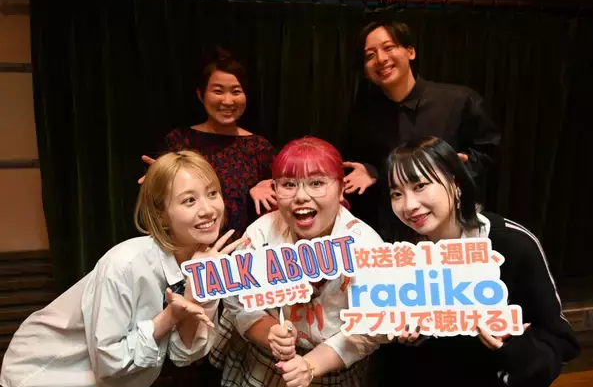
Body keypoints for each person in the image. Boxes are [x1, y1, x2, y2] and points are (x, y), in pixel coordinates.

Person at [0, 150, 245, 387]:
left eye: (212, 193)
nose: (208, 210)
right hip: (45, 371)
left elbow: (183, 355)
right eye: (189, 200)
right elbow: (109, 363)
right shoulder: (126, 263)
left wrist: (196, 297)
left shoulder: (208, 265)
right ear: (160, 215)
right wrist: (169, 316)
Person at [366, 136, 580, 387]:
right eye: (396, 194)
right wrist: (405, 335)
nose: (409, 205)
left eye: (420, 186)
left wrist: (511, 345)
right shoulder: (398, 250)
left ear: (455, 183)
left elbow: (559, 341)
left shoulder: (511, 245)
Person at [211, 137, 387, 387]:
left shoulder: (366, 245)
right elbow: (236, 299)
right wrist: (269, 332)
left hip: (332, 366)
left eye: (317, 183)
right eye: (289, 184)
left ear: (340, 190)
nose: (301, 196)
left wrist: (311, 364)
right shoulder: (262, 232)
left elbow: (369, 328)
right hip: (265, 360)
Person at [342, 19, 501, 231]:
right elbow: (367, 163)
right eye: (370, 55)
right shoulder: (363, 114)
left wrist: (459, 166)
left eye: (388, 48)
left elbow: (489, 150)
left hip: (452, 227)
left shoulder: (458, 101)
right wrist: (371, 171)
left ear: (410, 52)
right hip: (390, 230)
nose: (381, 59)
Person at [139, 48, 277, 242]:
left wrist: (271, 185)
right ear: (201, 94)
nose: (227, 100)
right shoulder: (179, 141)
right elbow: (160, 205)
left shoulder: (260, 148)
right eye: (218, 91)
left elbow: (285, 201)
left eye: (236, 91)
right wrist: (158, 181)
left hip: (247, 252)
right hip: (191, 251)